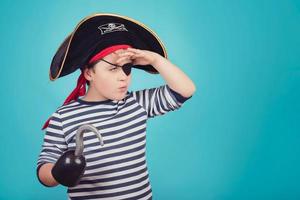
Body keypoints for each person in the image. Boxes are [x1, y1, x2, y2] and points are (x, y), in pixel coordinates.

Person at [36, 13, 196, 200]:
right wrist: (57, 172)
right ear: (89, 73)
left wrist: (155, 60)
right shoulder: (64, 117)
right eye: (113, 68)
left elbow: (186, 90)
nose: (123, 77)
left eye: (127, 68)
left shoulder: (137, 104)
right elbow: (44, 168)